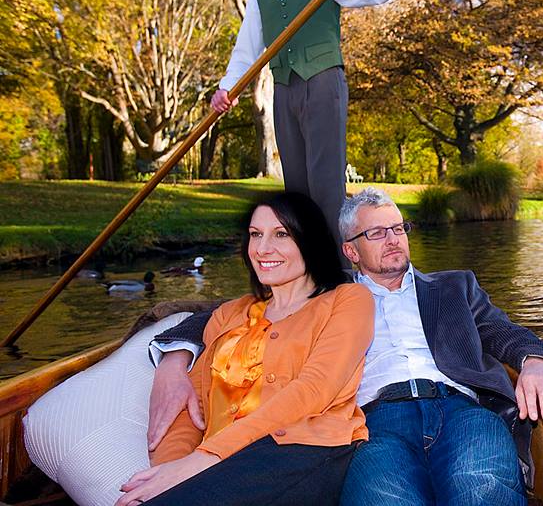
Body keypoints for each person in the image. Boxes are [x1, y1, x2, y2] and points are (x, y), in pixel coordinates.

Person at [147, 188, 543, 505]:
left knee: (481, 488)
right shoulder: (325, 295)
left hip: (461, 408)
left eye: (399, 228)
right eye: (377, 233)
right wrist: (174, 359)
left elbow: (504, 332)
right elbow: (219, 314)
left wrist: (535, 361)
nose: (393, 239)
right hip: (373, 423)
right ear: (350, 250)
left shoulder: (454, 286)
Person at [117, 192, 373, 506]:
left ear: (311, 241)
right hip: (221, 464)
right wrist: (170, 470)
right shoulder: (229, 314)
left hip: (306, 449)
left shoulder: (348, 300)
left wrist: (203, 459)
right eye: (255, 235)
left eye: (281, 234)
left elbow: (313, 390)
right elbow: (192, 406)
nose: (263, 248)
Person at [210, 0, 416, 251]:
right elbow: (246, 49)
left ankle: (340, 276)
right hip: (284, 88)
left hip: (322, 81)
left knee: (326, 186)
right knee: (297, 191)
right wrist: (227, 87)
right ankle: (309, 274)